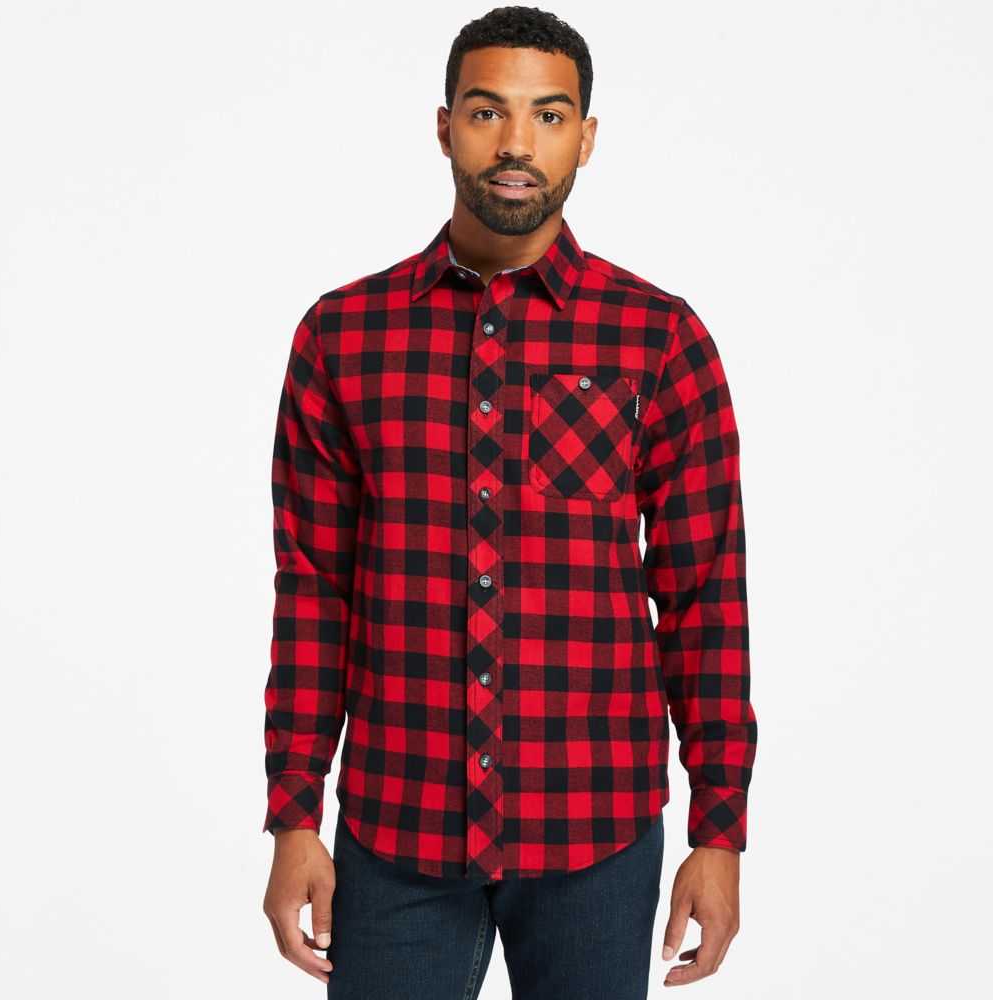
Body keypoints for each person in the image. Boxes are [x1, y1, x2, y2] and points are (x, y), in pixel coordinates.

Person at [260, 7, 758, 997]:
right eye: (488, 112)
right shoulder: (342, 335)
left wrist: (719, 831)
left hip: (597, 830)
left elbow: (704, 596)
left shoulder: (658, 338)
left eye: (549, 115)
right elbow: (313, 590)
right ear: (445, 126)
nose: (517, 144)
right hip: (396, 827)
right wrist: (293, 815)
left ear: (586, 137)